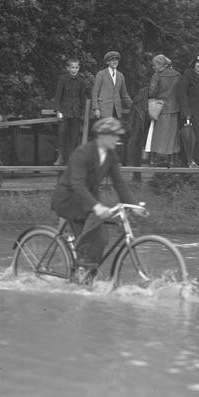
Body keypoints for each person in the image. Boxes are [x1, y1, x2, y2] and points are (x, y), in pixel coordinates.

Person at [50, 117, 138, 283]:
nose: (117, 139)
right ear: (102, 136)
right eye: (114, 135)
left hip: (87, 200)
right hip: (70, 200)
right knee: (95, 236)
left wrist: (133, 206)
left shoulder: (111, 155)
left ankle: (86, 270)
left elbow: (119, 183)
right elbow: (77, 183)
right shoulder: (82, 153)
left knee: (101, 237)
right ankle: (82, 271)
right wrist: (96, 206)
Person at [52, 58, 89, 166]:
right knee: (61, 134)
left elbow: (82, 98)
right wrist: (58, 111)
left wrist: (82, 112)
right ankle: (60, 157)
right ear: (68, 68)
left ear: (79, 68)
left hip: (76, 113)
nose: (74, 69)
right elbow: (58, 96)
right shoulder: (63, 79)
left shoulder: (81, 81)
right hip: (64, 111)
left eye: (76, 67)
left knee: (74, 136)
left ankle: (72, 159)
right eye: (72, 67)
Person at [147, 54, 181, 166]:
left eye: (154, 65)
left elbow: (152, 92)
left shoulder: (157, 76)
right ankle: (171, 160)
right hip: (174, 108)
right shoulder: (177, 75)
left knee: (156, 135)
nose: (153, 68)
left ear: (160, 65)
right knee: (172, 135)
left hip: (160, 108)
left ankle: (153, 160)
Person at [92, 50, 132, 119]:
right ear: (107, 62)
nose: (115, 62)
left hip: (116, 110)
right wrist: (96, 108)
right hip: (104, 110)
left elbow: (124, 94)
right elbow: (95, 93)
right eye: (112, 60)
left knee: (115, 129)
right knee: (104, 129)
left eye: (116, 60)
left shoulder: (120, 75)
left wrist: (132, 106)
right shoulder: (101, 74)